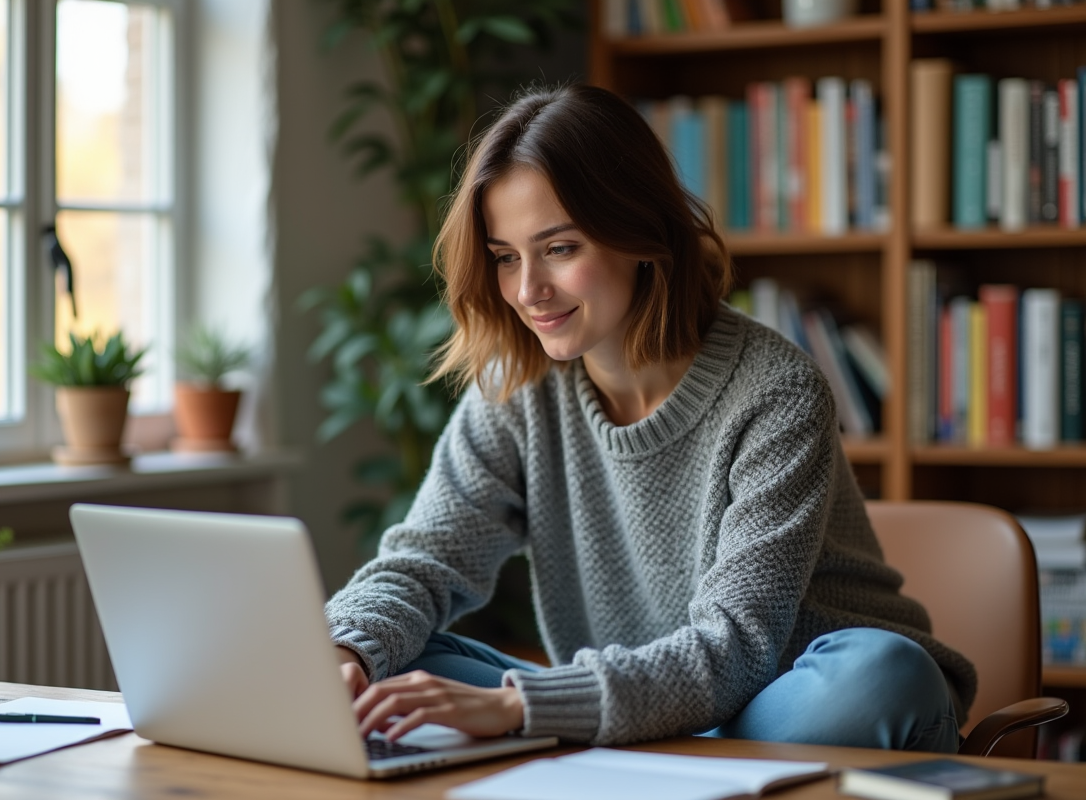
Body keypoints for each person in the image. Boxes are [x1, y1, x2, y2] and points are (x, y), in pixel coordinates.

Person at [324, 83, 975, 752]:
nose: (527, 291)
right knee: (396, 665)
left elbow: (737, 648)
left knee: (885, 676)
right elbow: (423, 562)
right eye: (505, 257)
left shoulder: (775, 391)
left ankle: (616, 749)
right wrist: (345, 651)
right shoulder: (514, 390)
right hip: (624, 710)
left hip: (777, 705)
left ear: (638, 232)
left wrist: (526, 707)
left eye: (560, 249)